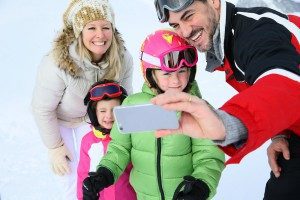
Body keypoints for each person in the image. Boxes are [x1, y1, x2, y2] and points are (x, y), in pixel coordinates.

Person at [152, 0, 300, 198]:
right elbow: (269, 81)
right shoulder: (232, 40)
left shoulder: (256, 31)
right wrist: (280, 133)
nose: (185, 32)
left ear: (213, 2)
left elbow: (283, 81)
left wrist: (224, 124)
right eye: (176, 25)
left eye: (188, 16)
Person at [82, 29, 225, 200]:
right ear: (150, 74)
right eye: (167, 73)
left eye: (182, 71)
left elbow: (208, 156)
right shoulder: (134, 106)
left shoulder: (198, 110)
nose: (176, 80)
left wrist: (200, 186)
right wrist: (105, 173)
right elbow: (120, 148)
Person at [31, 0, 133, 199]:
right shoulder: (58, 62)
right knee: (67, 170)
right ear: (79, 31)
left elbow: (125, 101)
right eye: (91, 28)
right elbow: (42, 108)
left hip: (94, 116)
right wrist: (55, 147)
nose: (100, 35)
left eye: (105, 27)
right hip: (60, 118)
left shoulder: (122, 57)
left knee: (99, 164)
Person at [77, 80, 136, 200]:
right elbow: (83, 174)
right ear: (94, 113)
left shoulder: (130, 137)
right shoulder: (88, 141)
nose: (109, 116)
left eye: (114, 110)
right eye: (102, 111)